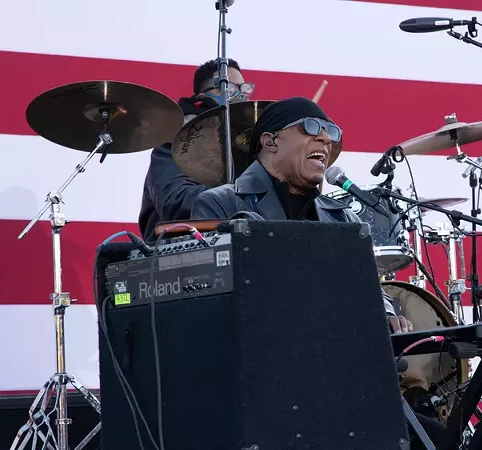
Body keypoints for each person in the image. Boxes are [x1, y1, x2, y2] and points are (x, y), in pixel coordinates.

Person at [188, 97, 446, 449]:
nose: (326, 140)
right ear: (270, 140)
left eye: (331, 134)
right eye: (311, 128)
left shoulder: (342, 216)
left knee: (441, 440)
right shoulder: (220, 203)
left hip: (338, 382)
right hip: (261, 387)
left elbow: (367, 286)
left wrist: (386, 313)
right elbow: (213, 302)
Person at [138, 57, 254, 241]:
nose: (240, 96)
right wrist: (245, 198)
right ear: (203, 97)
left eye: (243, 88)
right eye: (229, 88)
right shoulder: (177, 138)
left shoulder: (247, 144)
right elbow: (175, 201)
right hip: (179, 250)